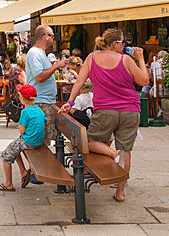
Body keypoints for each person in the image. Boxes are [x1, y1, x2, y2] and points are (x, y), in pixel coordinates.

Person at [61, 28, 148, 203]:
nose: (124, 46)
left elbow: (79, 82)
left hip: (105, 110)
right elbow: (144, 81)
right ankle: (120, 192)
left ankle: (110, 151)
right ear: (115, 43)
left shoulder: (92, 58)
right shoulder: (126, 60)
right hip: (130, 110)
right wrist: (140, 58)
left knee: (90, 141)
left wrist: (70, 102)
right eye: (122, 42)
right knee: (126, 151)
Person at [0, 84, 46, 192]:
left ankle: (8, 183)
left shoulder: (25, 112)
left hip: (28, 141)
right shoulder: (39, 110)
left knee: (5, 156)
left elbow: (21, 131)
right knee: (14, 147)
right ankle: (23, 171)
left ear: (22, 99)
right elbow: (45, 121)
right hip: (38, 141)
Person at [24, 25, 66, 151]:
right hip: (40, 102)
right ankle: (39, 169)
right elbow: (39, 77)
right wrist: (56, 66)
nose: (54, 38)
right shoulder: (34, 53)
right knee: (41, 140)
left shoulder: (41, 53)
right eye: (52, 35)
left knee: (46, 139)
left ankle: (41, 168)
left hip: (46, 101)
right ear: (45, 36)